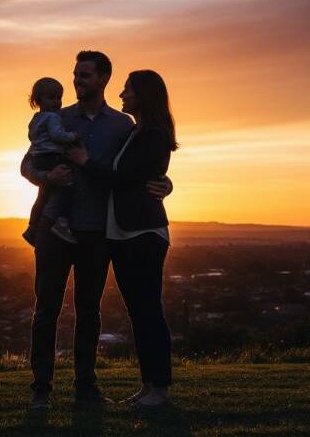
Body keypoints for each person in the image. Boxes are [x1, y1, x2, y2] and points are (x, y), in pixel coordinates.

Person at [20, 51, 173, 410]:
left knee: (89, 312)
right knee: (46, 310)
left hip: (97, 233)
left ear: (103, 78)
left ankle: (85, 386)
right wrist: (46, 176)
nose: (76, 81)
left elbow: (137, 166)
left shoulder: (123, 126)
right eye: (75, 75)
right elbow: (27, 162)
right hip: (54, 230)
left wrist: (164, 183)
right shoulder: (56, 117)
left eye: (84, 75)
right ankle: (41, 388)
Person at [68, 69, 177, 407]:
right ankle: (149, 386)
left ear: (143, 94)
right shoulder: (138, 132)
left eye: (127, 89)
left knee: (148, 312)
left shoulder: (153, 134)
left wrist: (85, 161)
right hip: (126, 235)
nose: (121, 95)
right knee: (139, 313)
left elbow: (123, 178)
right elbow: (141, 176)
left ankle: (159, 388)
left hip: (142, 234)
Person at [23, 77, 80, 246]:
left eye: (59, 98)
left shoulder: (35, 119)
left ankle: (32, 227)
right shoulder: (54, 118)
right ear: (38, 100)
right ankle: (62, 222)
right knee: (67, 185)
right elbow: (57, 136)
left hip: (39, 158)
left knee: (42, 195)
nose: (57, 102)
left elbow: (32, 138)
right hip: (51, 158)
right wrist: (73, 137)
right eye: (52, 98)